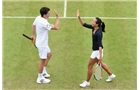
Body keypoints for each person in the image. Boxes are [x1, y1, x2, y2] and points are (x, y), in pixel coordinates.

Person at [77, 9, 116, 88]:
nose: (92, 22)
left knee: (89, 66)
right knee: (100, 63)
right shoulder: (94, 28)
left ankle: (87, 82)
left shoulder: (98, 33)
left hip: (97, 51)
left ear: (97, 24)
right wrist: (79, 17)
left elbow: (100, 46)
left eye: (93, 22)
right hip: (97, 51)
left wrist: (100, 57)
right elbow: (84, 24)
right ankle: (111, 75)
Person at [31, 7, 59, 83]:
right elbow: (56, 27)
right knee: (42, 60)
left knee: (49, 55)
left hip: (43, 43)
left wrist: (33, 35)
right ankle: (40, 78)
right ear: (44, 14)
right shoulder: (43, 22)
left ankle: (43, 71)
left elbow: (33, 25)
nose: (49, 14)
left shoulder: (38, 17)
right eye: (48, 13)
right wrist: (57, 17)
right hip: (42, 44)